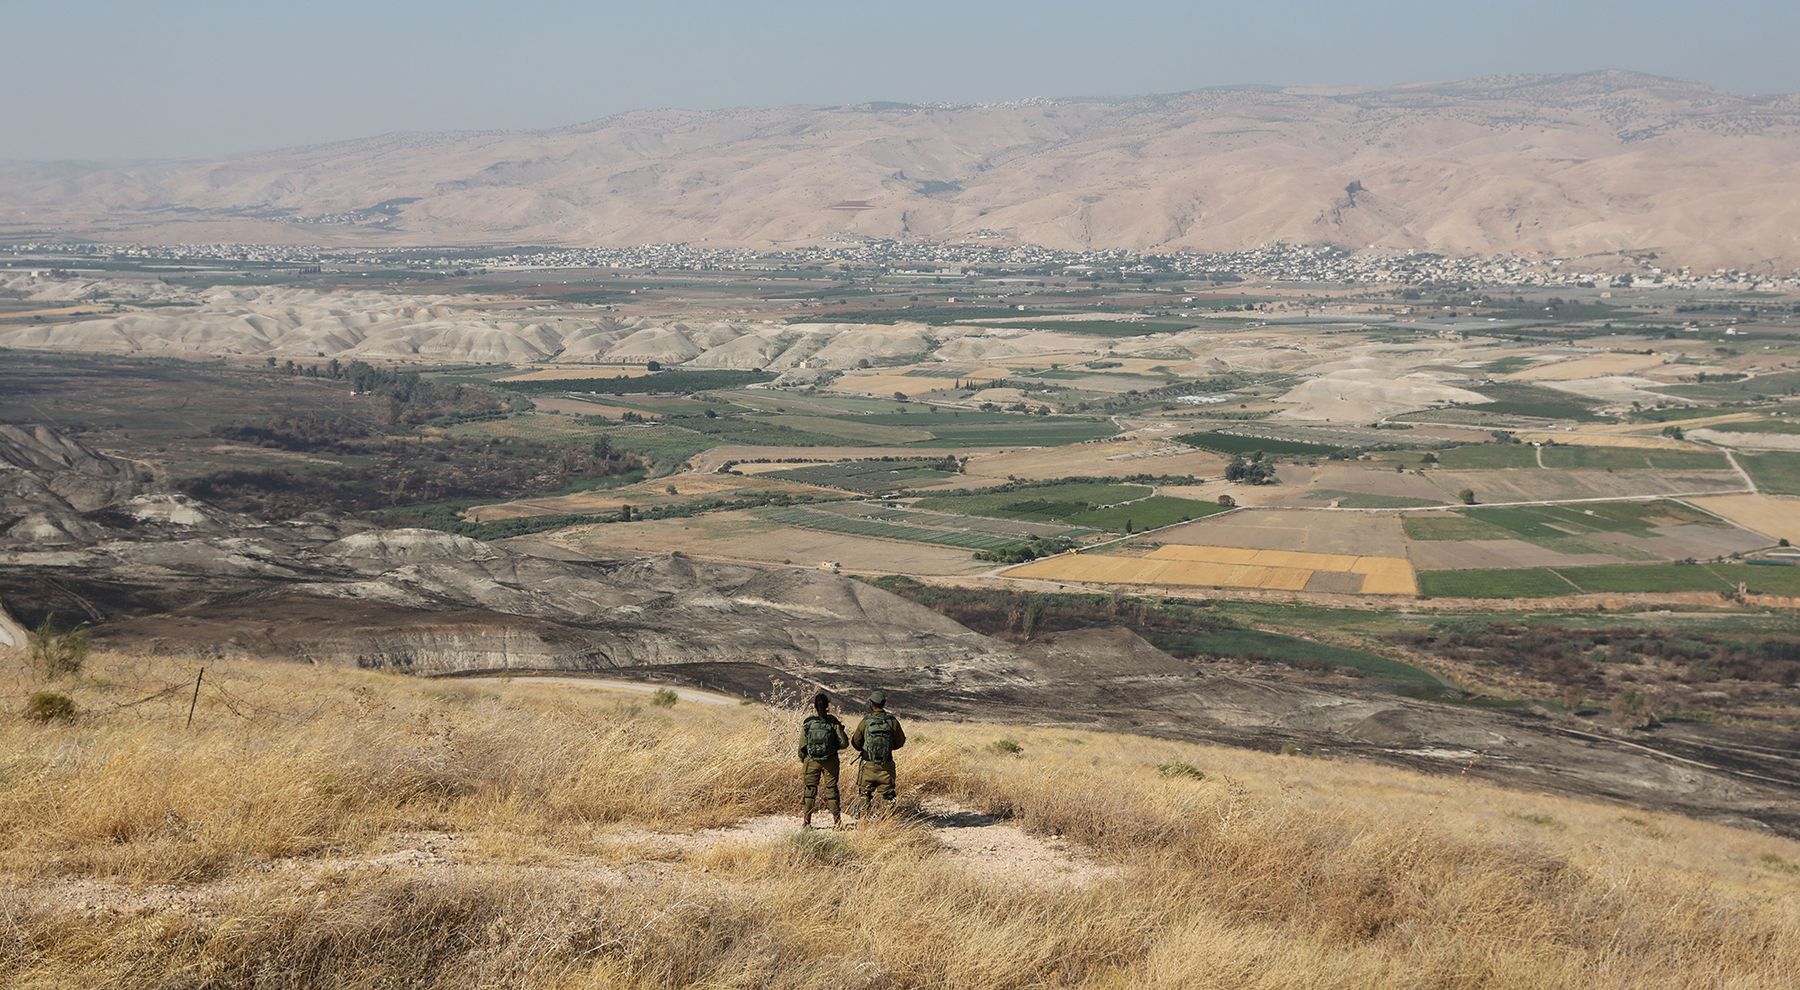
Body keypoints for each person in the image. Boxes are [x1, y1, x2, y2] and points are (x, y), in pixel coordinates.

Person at [797, 690, 850, 829]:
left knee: (810, 790)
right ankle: (837, 823)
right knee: (831, 790)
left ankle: (807, 823)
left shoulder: (808, 722)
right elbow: (844, 743)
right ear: (827, 706)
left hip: (811, 760)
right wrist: (833, 747)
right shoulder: (833, 722)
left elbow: (802, 746)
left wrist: (806, 760)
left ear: (814, 706)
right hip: (831, 761)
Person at [851, 689, 906, 821]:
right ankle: (887, 824)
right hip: (886, 766)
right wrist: (887, 748)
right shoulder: (892, 721)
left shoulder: (866, 721)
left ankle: (863, 825)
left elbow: (855, 742)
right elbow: (900, 741)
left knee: (864, 795)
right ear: (883, 704)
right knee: (888, 797)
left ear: (871, 703)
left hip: (868, 766)